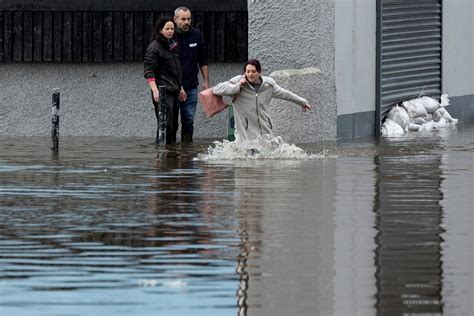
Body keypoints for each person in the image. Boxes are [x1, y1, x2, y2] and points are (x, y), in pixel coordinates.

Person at [212, 59, 314, 142]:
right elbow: (217, 89)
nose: (250, 74)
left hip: (265, 133)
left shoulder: (268, 85)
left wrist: (302, 102)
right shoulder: (238, 81)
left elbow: (286, 94)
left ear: (259, 72)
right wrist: (238, 86)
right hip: (244, 135)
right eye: (248, 71)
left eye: (253, 71)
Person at [144, 17, 186, 144]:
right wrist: (155, 90)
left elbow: (176, 71)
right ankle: (161, 153)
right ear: (160, 30)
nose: (170, 31)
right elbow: (149, 70)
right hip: (162, 90)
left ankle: (171, 155)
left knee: (173, 125)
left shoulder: (172, 46)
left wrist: (181, 88)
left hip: (174, 89)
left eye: (172, 28)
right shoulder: (154, 47)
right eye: (167, 29)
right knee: (165, 124)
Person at [174, 6, 210, 143]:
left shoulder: (196, 35)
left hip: (191, 86)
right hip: (173, 88)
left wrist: (206, 81)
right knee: (171, 124)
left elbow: (203, 59)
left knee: (188, 121)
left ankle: (186, 152)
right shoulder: (170, 36)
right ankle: (169, 155)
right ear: (175, 19)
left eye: (188, 19)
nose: (186, 22)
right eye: (183, 19)